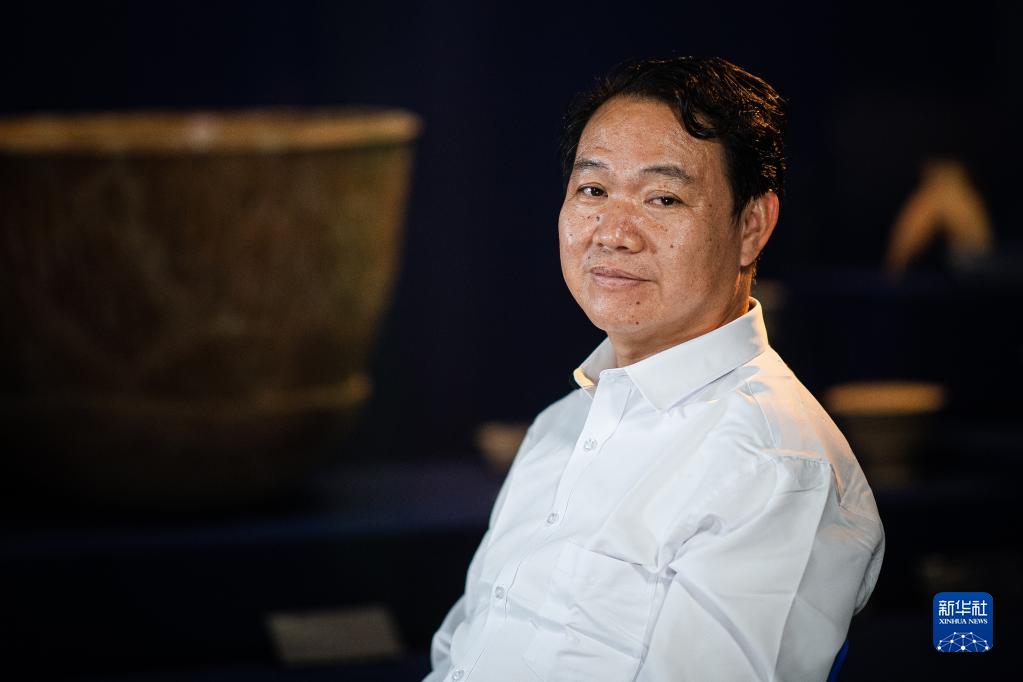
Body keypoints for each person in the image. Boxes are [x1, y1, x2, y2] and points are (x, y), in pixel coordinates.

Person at [424, 56, 884, 682]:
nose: (614, 233)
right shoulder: (562, 424)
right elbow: (459, 654)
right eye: (593, 191)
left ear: (752, 226)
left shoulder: (776, 468)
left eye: (663, 198)